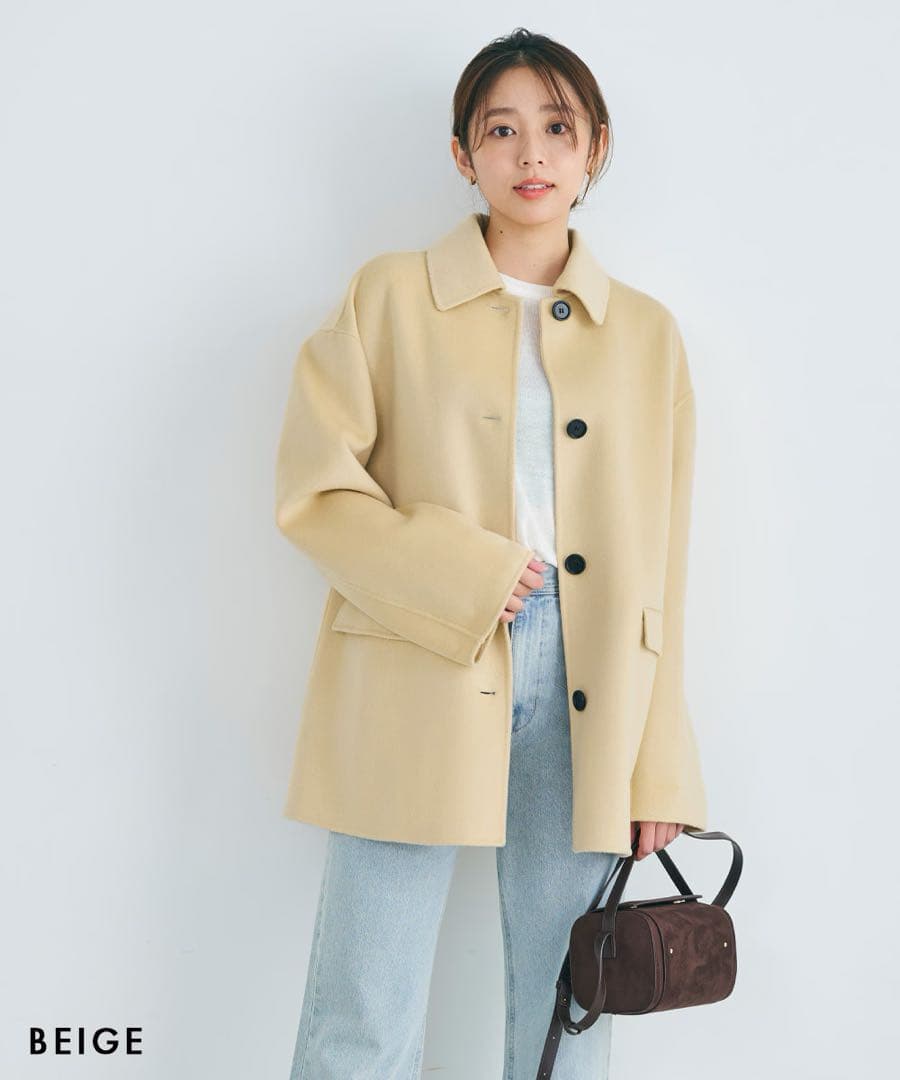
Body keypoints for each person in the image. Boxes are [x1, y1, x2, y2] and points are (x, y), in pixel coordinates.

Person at [275, 26, 708, 1080]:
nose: (531, 155)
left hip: (594, 683)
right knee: (365, 1000)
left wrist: (661, 759)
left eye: (557, 128)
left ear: (595, 146)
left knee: (572, 1003)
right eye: (501, 130)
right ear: (462, 154)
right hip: (418, 654)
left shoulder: (645, 334)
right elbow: (314, 493)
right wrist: (462, 574)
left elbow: (666, 560)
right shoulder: (388, 296)